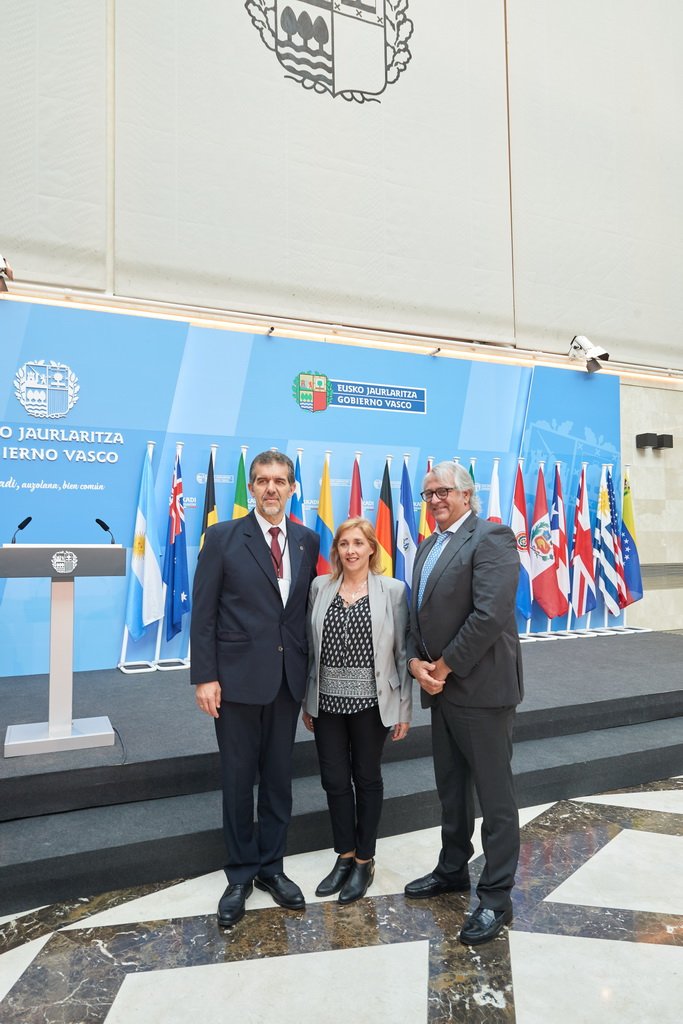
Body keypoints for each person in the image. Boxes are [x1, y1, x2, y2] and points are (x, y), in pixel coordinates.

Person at [191, 450, 320, 927]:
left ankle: (272, 868)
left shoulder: (307, 540)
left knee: (279, 780)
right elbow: (204, 613)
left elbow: (302, 614)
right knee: (238, 780)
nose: (271, 488)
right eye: (263, 480)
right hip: (236, 682)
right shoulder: (223, 537)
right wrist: (205, 676)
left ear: (292, 488)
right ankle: (241, 873)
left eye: (280, 481)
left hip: (287, 682)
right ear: (251, 488)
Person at [403, 461, 523, 946]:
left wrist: (444, 666)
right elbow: (417, 615)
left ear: (467, 495)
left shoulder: (492, 538)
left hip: (482, 689)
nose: (434, 500)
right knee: (451, 790)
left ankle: (496, 898)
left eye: (443, 492)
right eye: (428, 493)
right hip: (441, 688)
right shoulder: (428, 545)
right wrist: (415, 662)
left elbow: (490, 614)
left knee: (495, 799)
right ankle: (453, 868)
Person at [302, 517, 412, 904]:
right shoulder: (320, 587)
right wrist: (307, 700)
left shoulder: (393, 590)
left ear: (371, 549)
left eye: (358, 543)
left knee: (366, 778)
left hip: (372, 703)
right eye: (344, 543)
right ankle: (344, 856)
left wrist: (403, 709)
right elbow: (310, 649)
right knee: (334, 780)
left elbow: (402, 653)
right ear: (336, 550)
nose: (350, 550)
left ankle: (365, 861)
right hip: (327, 702)